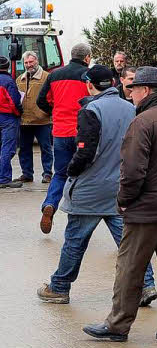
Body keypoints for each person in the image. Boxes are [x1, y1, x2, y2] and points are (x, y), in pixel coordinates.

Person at [82, 67, 157, 344]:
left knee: (130, 268)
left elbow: (132, 171)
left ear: (145, 91)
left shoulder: (143, 122)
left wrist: (123, 200)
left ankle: (118, 325)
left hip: (145, 210)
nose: (129, 93)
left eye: (133, 89)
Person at [36, 66, 156, 304]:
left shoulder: (90, 110)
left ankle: (59, 286)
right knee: (130, 242)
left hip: (90, 189)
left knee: (74, 241)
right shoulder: (131, 109)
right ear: (113, 83)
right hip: (121, 187)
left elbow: (85, 152)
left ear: (90, 85)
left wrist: (70, 171)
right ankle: (146, 285)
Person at [37, 42, 91, 233]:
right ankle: (78, 218)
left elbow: (40, 100)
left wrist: (55, 112)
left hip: (59, 132)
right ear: (87, 58)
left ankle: (50, 204)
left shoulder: (54, 75)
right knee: (84, 174)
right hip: (82, 132)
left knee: (60, 173)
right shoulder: (87, 76)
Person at [15, 51, 53, 187]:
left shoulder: (47, 77)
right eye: (26, 63)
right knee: (24, 149)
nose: (28, 65)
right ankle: (27, 174)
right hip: (25, 120)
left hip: (42, 120)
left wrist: (48, 112)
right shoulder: (20, 79)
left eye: (31, 62)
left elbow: (52, 97)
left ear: (37, 61)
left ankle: (47, 173)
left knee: (46, 148)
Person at [0, 55, 22, 188]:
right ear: (7, 67)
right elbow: (14, 101)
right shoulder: (8, 81)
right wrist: (19, 113)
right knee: (8, 148)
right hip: (7, 118)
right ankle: (4, 178)